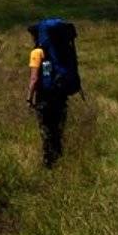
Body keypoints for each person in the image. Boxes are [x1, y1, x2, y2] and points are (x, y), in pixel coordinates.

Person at [26, 21, 69, 168]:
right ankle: (60, 160)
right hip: (61, 95)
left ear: (36, 36)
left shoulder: (36, 53)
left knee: (46, 130)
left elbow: (34, 79)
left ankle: (48, 164)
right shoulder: (61, 51)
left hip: (45, 97)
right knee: (58, 129)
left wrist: (29, 98)